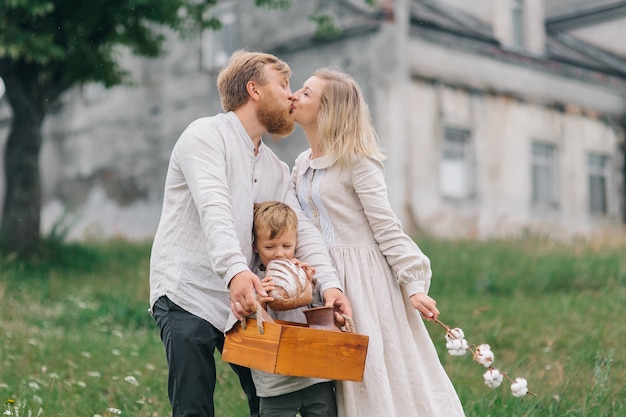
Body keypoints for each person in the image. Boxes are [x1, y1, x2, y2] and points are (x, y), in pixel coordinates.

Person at [149, 51, 352, 417]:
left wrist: (330, 286)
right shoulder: (205, 136)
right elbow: (215, 208)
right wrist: (236, 271)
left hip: (245, 303)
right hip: (188, 293)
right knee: (193, 409)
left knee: (268, 403)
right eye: (284, 84)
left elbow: (301, 229)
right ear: (254, 89)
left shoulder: (274, 168)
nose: (292, 95)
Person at [289, 68, 466, 417]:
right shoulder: (300, 165)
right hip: (323, 280)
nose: (294, 95)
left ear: (328, 110)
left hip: (366, 282)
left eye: (306, 93)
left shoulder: (357, 161)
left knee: (374, 371)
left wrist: (413, 283)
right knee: (335, 378)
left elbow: (386, 226)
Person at [231, 200, 337, 417]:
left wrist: (310, 285)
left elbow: (322, 318)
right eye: (270, 247)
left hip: (315, 377)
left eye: (286, 246)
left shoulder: (303, 273)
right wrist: (257, 304)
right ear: (255, 245)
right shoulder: (252, 282)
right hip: (275, 385)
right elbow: (246, 327)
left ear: (296, 243)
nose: (279, 253)